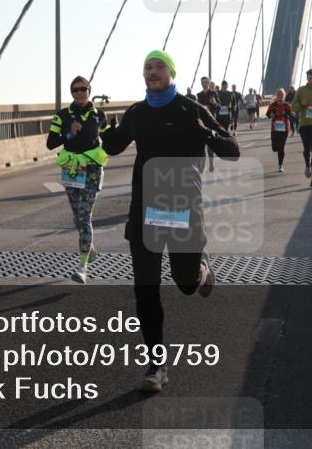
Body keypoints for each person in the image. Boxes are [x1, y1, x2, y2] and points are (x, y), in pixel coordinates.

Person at [101, 50, 239, 393]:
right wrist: (103, 128)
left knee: (186, 282)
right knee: (145, 289)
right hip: (145, 209)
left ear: (171, 72)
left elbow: (232, 149)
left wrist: (205, 133)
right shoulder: (136, 112)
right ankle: (156, 365)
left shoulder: (191, 109)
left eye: (158, 65)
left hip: (182, 207)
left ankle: (202, 269)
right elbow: (115, 146)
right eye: (147, 66)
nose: (152, 71)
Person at [46, 76, 108, 283]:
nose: (80, 92)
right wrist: (70, 134)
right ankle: (90, 249)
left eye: (83, 89)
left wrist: (118, 132)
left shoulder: (99, 115)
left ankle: (82, 267)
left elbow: (109, 139)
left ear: (89, 90)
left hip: (92, 169)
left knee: (84, 215)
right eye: (75, 90)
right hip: (72, 170)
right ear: (71, 92)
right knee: (77, 217)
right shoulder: (62, 115)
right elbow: (50, 143)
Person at [266, 88, 295, 172]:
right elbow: (267, 114)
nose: (280, 96)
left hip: (284, 128)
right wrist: (270, 115)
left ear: (284, 95)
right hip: (274, 128)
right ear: (276, 95)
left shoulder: (287, 105)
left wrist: (292, 114)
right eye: (278, 94)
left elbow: (291, 115)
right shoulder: (273, 105)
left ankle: (280, 165)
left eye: (281, 94)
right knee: (275, 148)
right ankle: (278, 151)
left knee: (281, 147)